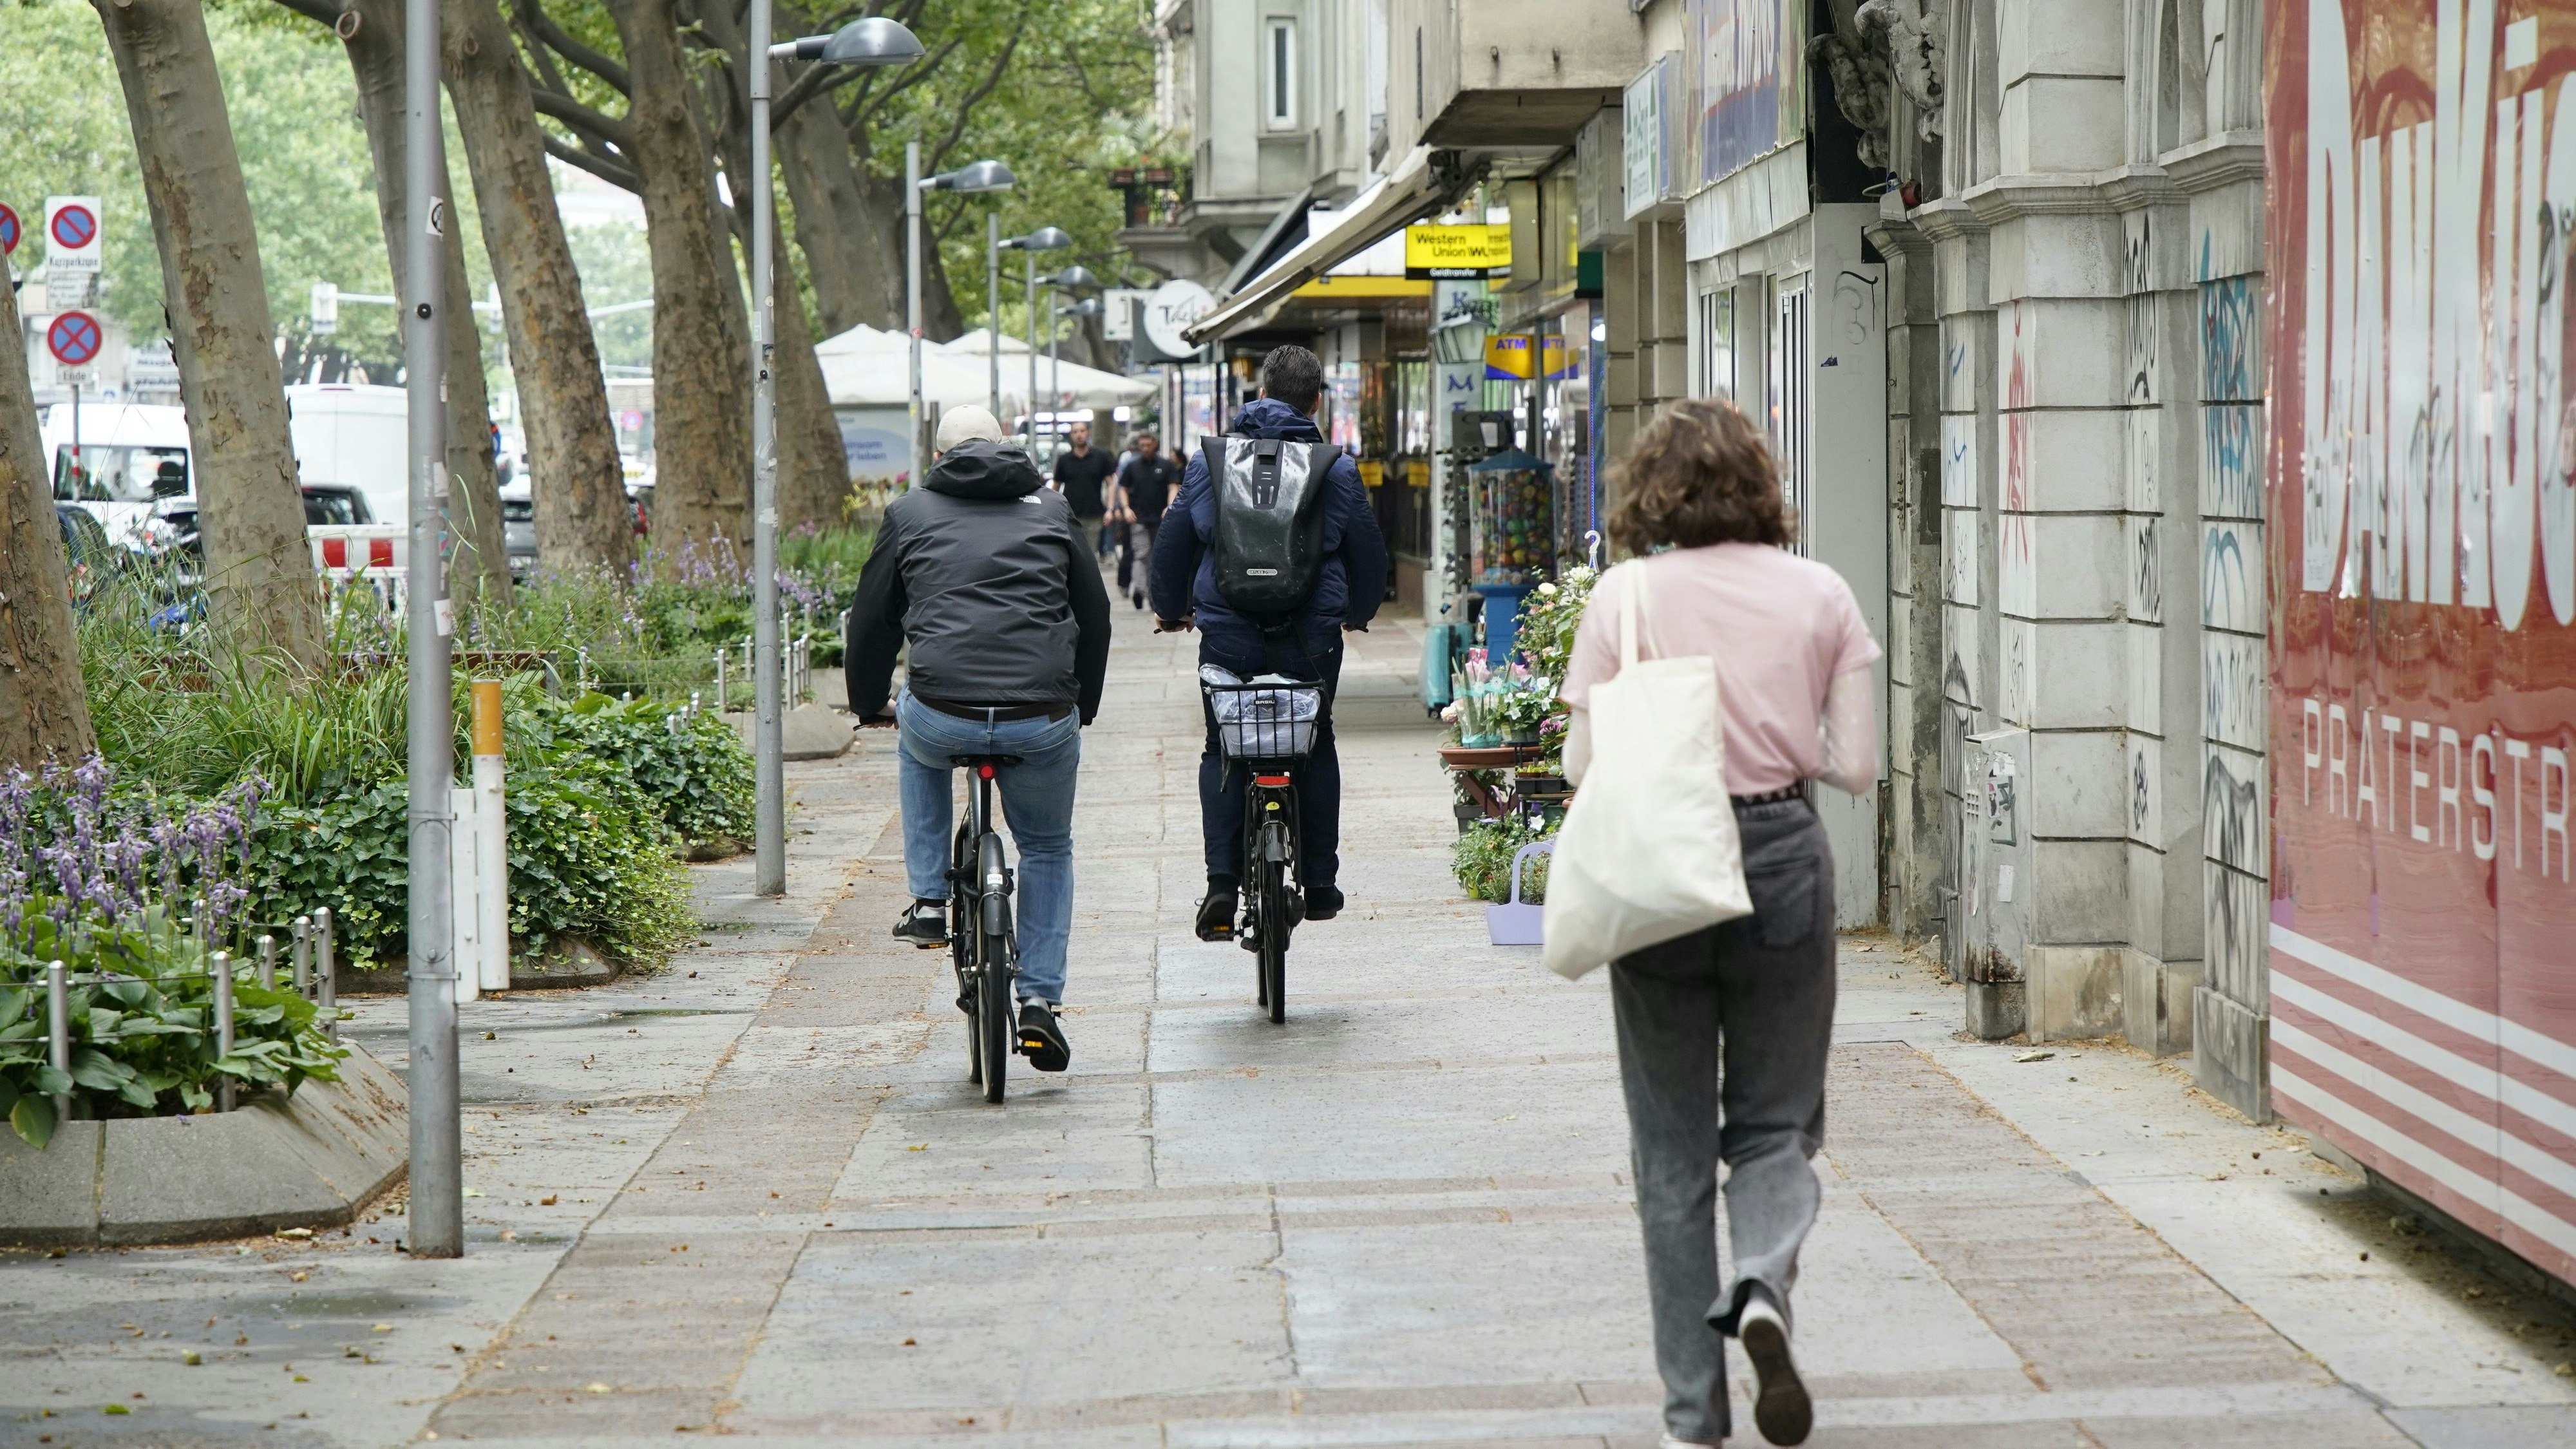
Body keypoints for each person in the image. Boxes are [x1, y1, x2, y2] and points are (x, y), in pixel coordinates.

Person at [1559, 397, 1879, 1449]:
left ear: (1654, 488)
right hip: (1784, 855)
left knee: (1670, 1157)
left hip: (1660, 867)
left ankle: (1693, 1420)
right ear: (1760, 483)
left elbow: (1580, 766)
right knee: (1777, 1125)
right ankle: (1761, 1289)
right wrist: (1777, 733)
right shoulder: (1821, 595)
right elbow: (1857, 766)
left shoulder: (1624, 598)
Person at [845, 404, 1112, 1073]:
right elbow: (1096, 614)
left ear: (937, 456)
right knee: (1048, 845)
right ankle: (1040, 1004)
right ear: (1007, 447)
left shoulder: (908, 514)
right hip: (1041, 713)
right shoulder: (1053, 511)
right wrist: (1083, 704)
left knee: (915, 733)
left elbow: (873, 620)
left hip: (942, 708)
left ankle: (931, 900)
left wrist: (867, 702)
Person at [1149, 345, 1388, 939]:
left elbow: (1174, 541)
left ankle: (1223, 885)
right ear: (1316, 403)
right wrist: (1356, 615)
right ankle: (1322, 881)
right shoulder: (1337, 466)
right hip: (1310, 639)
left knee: (1223, 748)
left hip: (1228, 634)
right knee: (1315, 739)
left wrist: (1172, 610)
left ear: (1259, 395)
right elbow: (1368, 554)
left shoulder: (1211, 462)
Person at [1113, 431, 1179, 607]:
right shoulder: (1132, 466)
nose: (1145, 449)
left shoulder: (1166, 466)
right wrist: (1126, 508)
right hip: (1139, 518)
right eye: (1142, 446)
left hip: (1160, 518)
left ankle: (1152, 592)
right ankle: (1141, 589)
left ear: (1155, 445)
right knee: (1141, 554)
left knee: (1157, 557)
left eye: (1148, 445)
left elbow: (1173, 487)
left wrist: (1170, 506)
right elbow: (1123, 488)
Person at [1052, 421, 1115, 560]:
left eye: (1082, 431)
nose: (1079, 435)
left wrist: (1110, 509)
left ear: (1088, 433)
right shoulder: (1064, 460)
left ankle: (1089, 581)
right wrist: (1053, 510)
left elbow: (1111, 484)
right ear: (1071, 435)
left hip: (1094, 514)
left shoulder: (1101, 457)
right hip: (1069, 514)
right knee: (1072, 554)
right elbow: (1055, 487)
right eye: (1075, 432)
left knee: (1090, 555)